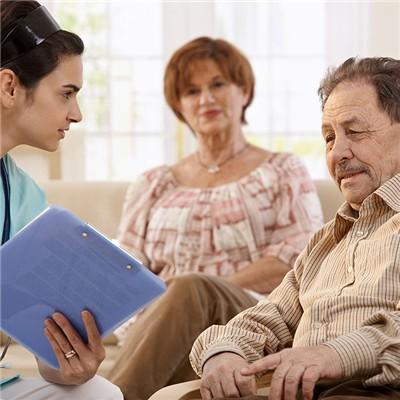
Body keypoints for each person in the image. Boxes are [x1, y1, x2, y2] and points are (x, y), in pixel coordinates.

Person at [107, 36, 323, 400]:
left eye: (218, 84)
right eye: (192, 91)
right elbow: (126, 269)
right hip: (162, 328)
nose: (205, 99)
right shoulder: (152, 183)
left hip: (248, 319)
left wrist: (195, 292)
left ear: (244, 91)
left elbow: (299, 261)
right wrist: (170, 303)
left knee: (191, 288)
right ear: (179, 106)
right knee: (184, 292)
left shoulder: (283, 170)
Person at [190, 56, 400, 400]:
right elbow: (265, 318)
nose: (337, 153)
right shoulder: (326, 242)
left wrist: (334, 355)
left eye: (355, 132)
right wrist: (224, 353)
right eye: (329, 137)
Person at [0, 1, 123, 399]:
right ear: (9, 87)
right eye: (66, 94)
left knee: (98, 393)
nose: (77, 114)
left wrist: (69, 366)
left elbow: (41, 339)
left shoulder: (24, 197)